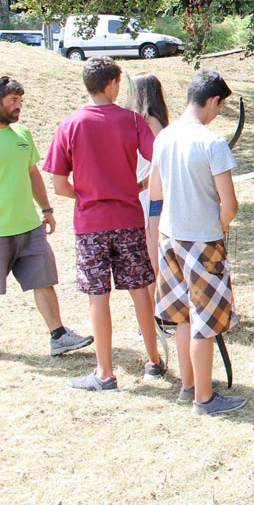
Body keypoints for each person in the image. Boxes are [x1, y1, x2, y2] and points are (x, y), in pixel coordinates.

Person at [43, 58, 165, 391]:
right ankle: (154, 361)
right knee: (140, 289)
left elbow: (58, 184)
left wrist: (86, 195)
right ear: (112, 83)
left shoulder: (71, 124)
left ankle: (104, 372)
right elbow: (160, 159)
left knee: (98, 296)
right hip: (127, 219)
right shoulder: (132, 121)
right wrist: (136, 187)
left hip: (90, 224)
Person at [148, 68, 247, 414]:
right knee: (205, 321)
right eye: (219, 106)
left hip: (169, 238)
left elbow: (155, 192)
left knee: (182, 316)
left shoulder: (163, 137)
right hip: (202, 242)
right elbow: (229, 204)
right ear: (213, 100)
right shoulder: (212, 142)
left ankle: (189, 386)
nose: (217, 113)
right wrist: (219, 226)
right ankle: (204, 399)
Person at [0, 75, 93, 356]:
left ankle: (58, 335)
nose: (19, 106)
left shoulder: (22, 135)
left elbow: (32, 174)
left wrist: (47, 209)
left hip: (29, 227)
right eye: (13, 101)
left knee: (44, 281)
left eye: (20, 101)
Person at [127, 72, 176, 336]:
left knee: (151, 261)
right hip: (148, 196)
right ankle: (151, 318)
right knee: (152, 261)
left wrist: (140, 186)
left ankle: (152, 317)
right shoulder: (148, 121)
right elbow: (158, 165)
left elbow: (156, 166)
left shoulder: (145, 121)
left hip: (148, 195)